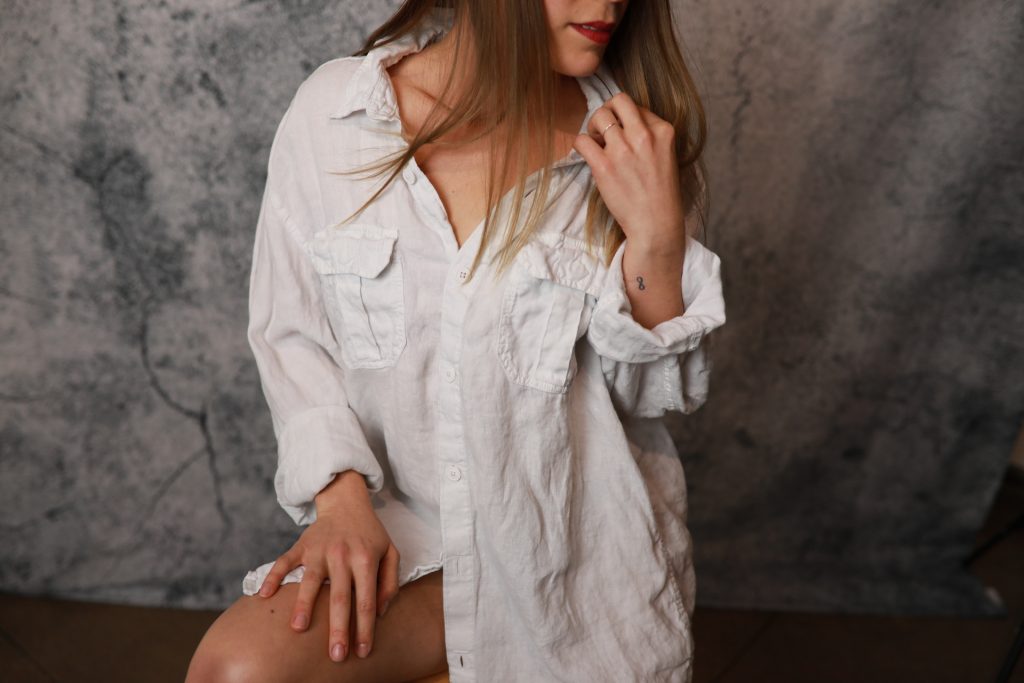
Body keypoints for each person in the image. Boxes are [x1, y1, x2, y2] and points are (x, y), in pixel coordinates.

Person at [186, 0, 726, 681]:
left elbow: (651, 399)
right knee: (235, 670)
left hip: (565, 571)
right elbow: (292, 335)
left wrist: (656, 235)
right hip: (411, 549)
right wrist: (340, 494)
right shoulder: (336, 116)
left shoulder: (632, 147)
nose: (609, 2)